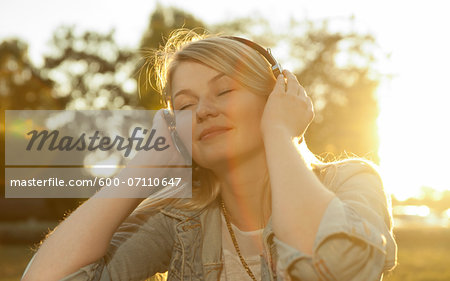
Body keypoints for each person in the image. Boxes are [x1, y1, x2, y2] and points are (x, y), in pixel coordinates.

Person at [21, 29, 397, 281]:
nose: (202, 111)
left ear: (275, 95)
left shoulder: (352, 180)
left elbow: (337, 267)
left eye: (224, 91)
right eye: (185, 105)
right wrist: (150, 162)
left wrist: (280, 133)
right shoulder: (180, 218)